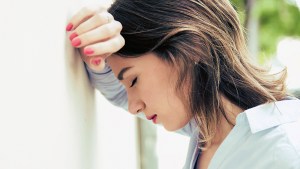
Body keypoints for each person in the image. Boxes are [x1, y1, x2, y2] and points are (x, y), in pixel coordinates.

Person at [65, 0, 300, 168]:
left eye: (134, 80)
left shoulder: (285, 151)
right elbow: (117, 93)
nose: (132, 106)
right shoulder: (208, 125)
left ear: (192, 48)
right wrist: (98, 44)